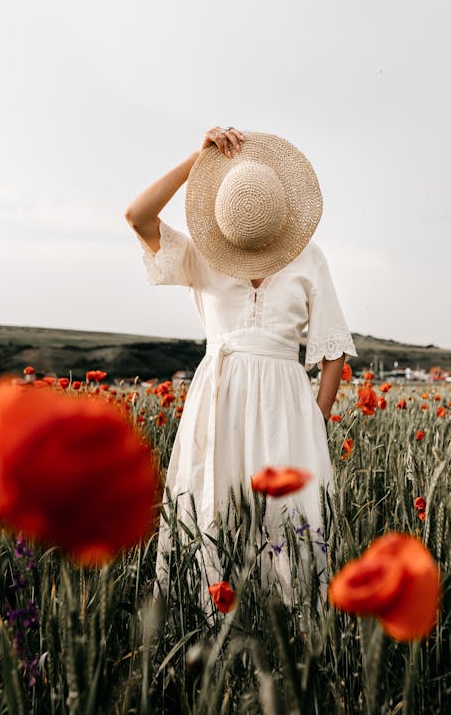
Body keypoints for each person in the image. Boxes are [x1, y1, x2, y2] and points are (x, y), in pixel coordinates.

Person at [125, 126, 357, 607]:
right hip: (220, 394)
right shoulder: (202, 253)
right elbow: (137, 215)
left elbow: (333, 350)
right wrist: (198, 161)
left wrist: (316, 419)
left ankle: (288, 633)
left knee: (286, 521)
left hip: (287, 406)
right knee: (216, 509)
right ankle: (214, 621)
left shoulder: (309, 258)